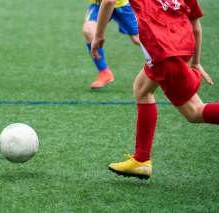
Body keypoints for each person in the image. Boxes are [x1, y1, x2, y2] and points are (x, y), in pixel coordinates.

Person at [91, 0, 219, 179]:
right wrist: (196, 62)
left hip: (163, 52)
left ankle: (141, 160)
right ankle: (141, 160)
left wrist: (98, 35)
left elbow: (109, 1)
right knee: (142, 88)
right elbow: (196, 26)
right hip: (183, 44)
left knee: (195, 112)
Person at [83, 0, 140, 89]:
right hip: (99, 5)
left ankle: (166, 63)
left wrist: (99, 36)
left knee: (138, 39)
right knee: (88, 30)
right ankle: (104, 72)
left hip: (123, 5)